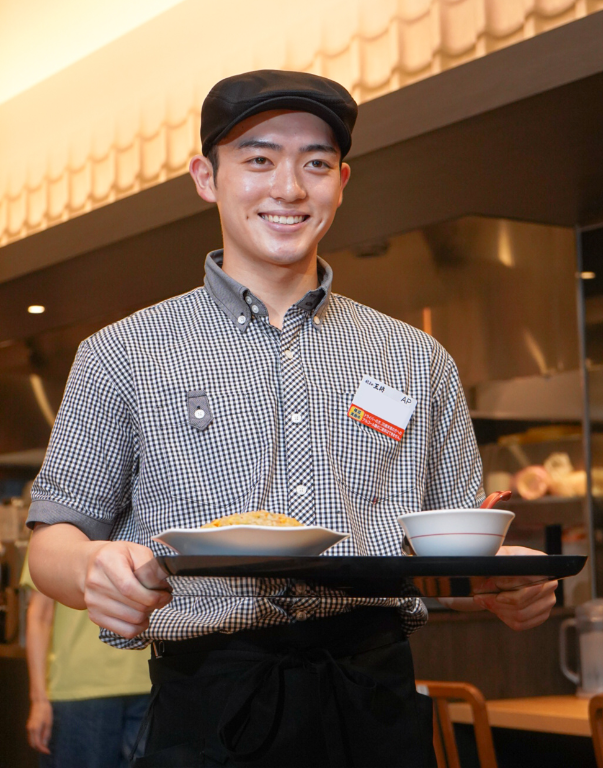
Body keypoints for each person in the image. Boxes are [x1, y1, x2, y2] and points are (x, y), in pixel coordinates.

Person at [26, 70, 557, 767]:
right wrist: (93, 565)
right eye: (258, 158)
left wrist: (499, 578)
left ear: (341, 180)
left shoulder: (415, 357)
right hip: (209, 706)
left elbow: (450, 542)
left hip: (375, 698)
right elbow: (51, 541)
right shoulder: (122, 353)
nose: (288, 187)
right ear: (205, 177)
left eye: (314, 163)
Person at [21, 553, 151, 767]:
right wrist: (38, 699)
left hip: (149, 685)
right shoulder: (56, 520)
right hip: (79, 692)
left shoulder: (149, 519)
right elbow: (39, 615)